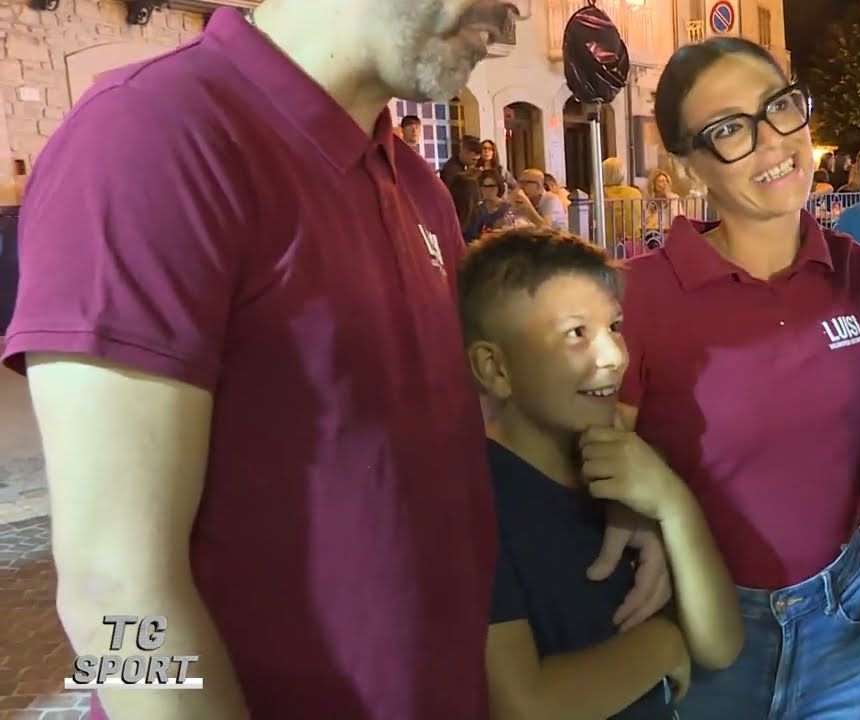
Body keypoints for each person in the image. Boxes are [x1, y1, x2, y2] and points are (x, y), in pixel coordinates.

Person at [0, 2, 669, 719]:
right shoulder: (149, 137)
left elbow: (456, 439)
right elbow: (108, 592)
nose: (511, 23)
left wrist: (607, 493)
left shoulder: (416, 187)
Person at [625, 37, 860, 718]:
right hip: (700, 628)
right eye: (728, 130)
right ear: (686, 168)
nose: (771, 141)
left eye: (777, 107)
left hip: (845, 621)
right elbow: (594, 453)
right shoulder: (635, 297)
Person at [458, 227, 743, 719]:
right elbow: (525, 708)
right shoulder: (475, 504)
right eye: (576, 334)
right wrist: (663, 644)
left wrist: (673, 503)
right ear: (495, 368)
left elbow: (720, 645)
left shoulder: (631, 470)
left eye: (614, 326)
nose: (614, 356)